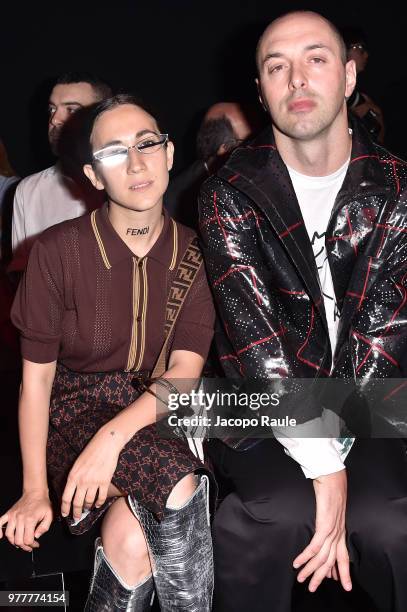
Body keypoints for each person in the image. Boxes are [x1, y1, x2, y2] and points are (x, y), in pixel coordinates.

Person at [199, 10, 407, 612]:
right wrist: (325, 469)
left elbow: (383, 337)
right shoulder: (228, 191)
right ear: (260, 91)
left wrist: (337, 452)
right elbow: (255, 346)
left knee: (393, 525)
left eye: (316, 59)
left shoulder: (397, 188)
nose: (297, 79)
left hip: (372, 398)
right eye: (277, 66)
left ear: (348, 77)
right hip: (259, 399)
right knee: (270, 516)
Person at [1, 94, 215, 611]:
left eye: (147, 144)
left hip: (157, 408)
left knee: (131, 538)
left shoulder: (197, 252)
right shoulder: (55, 251)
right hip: (73, 413)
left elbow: (184, 374)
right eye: (115, 152)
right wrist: (34, 490)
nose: (137, 162)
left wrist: (112, 439)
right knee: (178, 481)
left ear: (168, 155)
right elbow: (37, 384)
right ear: (95, 176)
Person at [9, 72, 112, 273]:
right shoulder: (28, 190)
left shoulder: (127, 180)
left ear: (102, 116)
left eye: (71, 109)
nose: (55, 119)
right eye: (52, 109)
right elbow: (20, 271)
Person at [165, 102, 258, 229]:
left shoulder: (257, 177)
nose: (256, 148)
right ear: (224, 149)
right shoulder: (176, 202)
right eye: (248, 142)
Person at [342, 27, 385, 143]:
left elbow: (378, 142)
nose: (366, 55)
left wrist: (376, 114)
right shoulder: (333, 85)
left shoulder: (359, 95)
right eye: (360, 48)